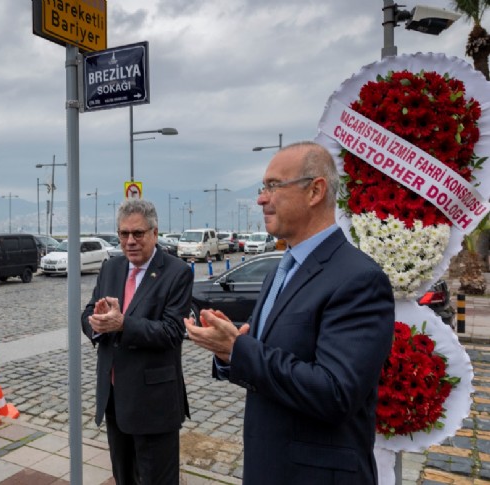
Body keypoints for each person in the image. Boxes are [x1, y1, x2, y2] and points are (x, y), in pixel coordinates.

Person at [185, 141, 395, 485]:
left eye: (273, 186)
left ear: (315, 191)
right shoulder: (280, 271)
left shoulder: (359, 279)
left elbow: (335, 393)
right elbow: (269, 365)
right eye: (262, 187)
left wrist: (239, 350)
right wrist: (229, 351)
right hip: (270, 466)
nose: (261, 199)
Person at [81, 198, 193, 484]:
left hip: (153, 403)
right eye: (123, 234)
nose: (130, 241)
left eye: (138, 233)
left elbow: (171, 332)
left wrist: (122, 324)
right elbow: (88, 312)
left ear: (154, 233)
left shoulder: (177, 272)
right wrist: (95, 324)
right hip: (115, 399)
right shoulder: (111, 268)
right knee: (123, 477)